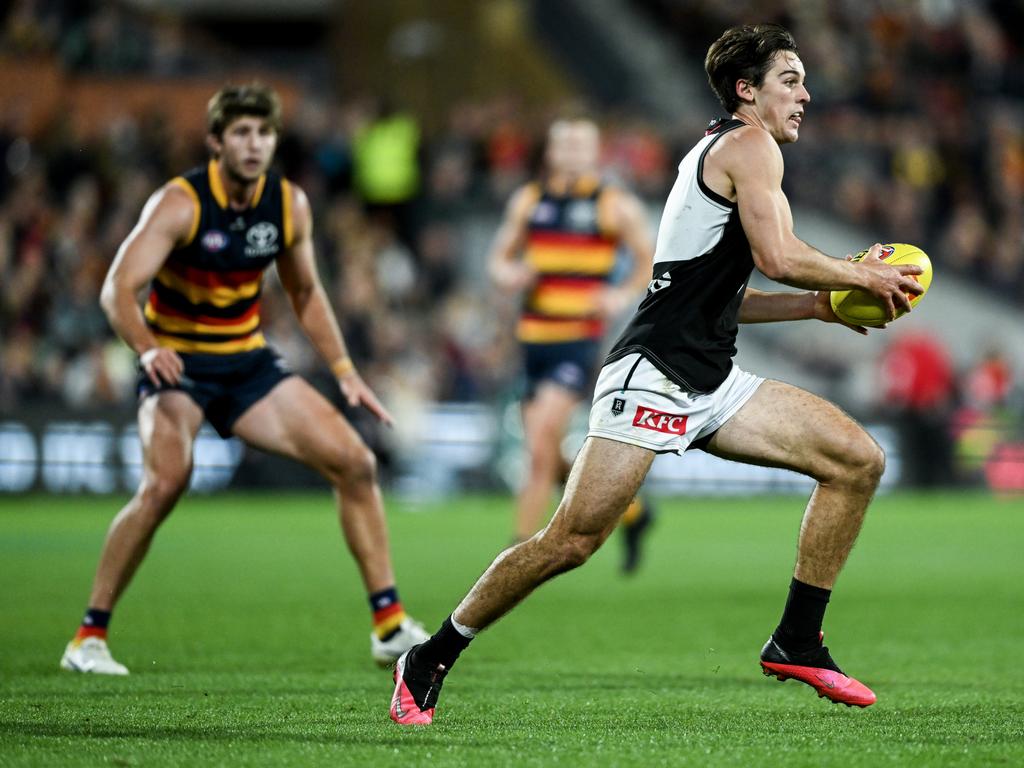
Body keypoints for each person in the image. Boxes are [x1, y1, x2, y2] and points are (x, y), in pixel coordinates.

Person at [389, 24, 925, 724]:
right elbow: (777, 253)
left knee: (857, 460)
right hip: (651, 375)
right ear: (747, 90)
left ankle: (797, 639)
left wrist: (821, 305)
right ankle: (430, 654)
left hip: (710, 380)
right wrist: (860, 272)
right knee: (571, 542)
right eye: (790, 80)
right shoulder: (747, 145)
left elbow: (717, 294)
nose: (806, 94)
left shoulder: (728, 153)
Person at [60, 84, 428, 675]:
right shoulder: (178, 203)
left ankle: (388, 625)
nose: (254, 144)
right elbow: (116, 290)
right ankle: (88, 637)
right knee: (165, 483)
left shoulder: (288, 205)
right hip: (178, 366)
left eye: (263, 133)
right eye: (241, 133)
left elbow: (305, 292)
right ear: (216, 141)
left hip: (246, 363)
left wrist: (345, 372)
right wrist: (149, 349)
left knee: (355, 462)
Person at [488, 118, 656, 571]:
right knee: (548, 452)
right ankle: (634, 513)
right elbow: (499, 259)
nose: (574, 151)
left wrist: (618, 294)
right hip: (532, 339)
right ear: (551, 151)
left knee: (539, 443)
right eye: (565, 143)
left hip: (577, 339)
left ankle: (517, 553)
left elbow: (648, 259)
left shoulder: (612, 205)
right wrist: (510, 274)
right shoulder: (528, 200)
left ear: (595, 152)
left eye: (583, 144)